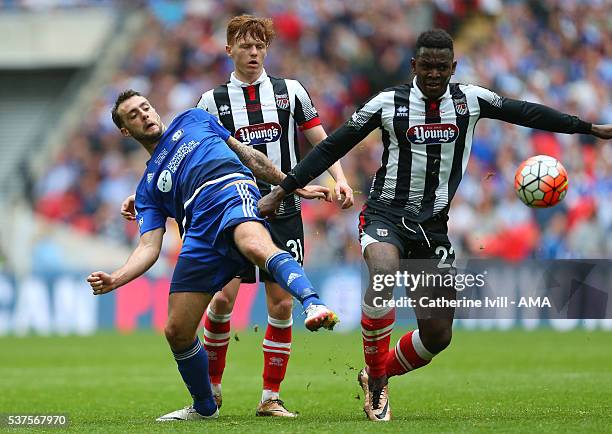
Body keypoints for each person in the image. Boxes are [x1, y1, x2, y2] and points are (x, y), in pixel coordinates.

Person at [258, 29, 612, 422]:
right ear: (414, 65)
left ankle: (376, 372)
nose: (433, 74)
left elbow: (525, 111)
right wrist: (283, 189)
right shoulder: (388, 103)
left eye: (441, 67)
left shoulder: (469, 101)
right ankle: (377, 387)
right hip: (385, 216)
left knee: (437, 336)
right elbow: (332, 146)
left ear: (453, 68)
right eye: (426, 65)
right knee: (382, 277)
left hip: (433, 228)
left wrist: (587, 128)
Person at [88, 90, 339, 422]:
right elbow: (149, 247)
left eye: (146, 107)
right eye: (133, 115)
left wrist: (290, 184)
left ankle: (313, 303)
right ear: (125, 131)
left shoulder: (193, 119)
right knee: (176, 330)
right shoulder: (148, 186)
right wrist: (116, 278)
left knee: (255, 245)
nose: (145, 115)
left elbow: (248, 156)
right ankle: (204, 407)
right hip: (198, 234)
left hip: (230, 191)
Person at [197, 15, 353, 417]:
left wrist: (340, 178)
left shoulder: (290, 91)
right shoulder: (211, 101)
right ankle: (211, 389)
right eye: (245, 46)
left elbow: (321, 140)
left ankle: (270, 397)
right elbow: (194, 156)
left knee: (281, 304)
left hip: (284, 208)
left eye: (259, 46)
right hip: (233, 207)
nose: (253, 53)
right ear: (228, 48)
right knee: (221, 299)